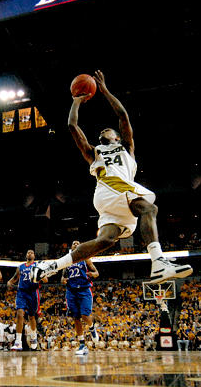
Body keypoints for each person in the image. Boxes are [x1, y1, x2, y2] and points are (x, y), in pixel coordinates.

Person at [31, 71, 192, 284]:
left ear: (116, 137)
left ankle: (51, 266)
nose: (104, 131)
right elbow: (72, 126)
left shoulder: (127, 147)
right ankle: (159, 262)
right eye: (101, 132)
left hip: (116, 197)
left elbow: (123, 116)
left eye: (108, 130)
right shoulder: (94, 152)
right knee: (150, 209)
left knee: (105, 240)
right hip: (111, 189)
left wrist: (105, 91)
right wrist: (76, 101)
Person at [60, 241, 100, 355]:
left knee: (84, 316)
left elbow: (96, 272)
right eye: (73, 243)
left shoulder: (85, 258)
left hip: (84, 289)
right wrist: (63, 280)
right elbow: (63, 277)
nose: (76, 244)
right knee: (76, 318)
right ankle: (82, 345)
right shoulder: (67, 260)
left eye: (78, 243)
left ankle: (92, 328)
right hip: (71, 291)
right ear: (71, 247)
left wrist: (93, 274)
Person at [7, 249, 48, 351]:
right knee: (20, 314)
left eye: (32, 252)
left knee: (32, 316)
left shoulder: (38, 265)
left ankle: (34, 336)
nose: (29, 253)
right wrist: (9, 282)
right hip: (22, 292)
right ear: (26, 255)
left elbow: (46, 280)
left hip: (33, 292)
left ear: (34, 256)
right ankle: (18, 342)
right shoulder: (20, 267)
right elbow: (15, 278)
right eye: (28, 252)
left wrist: (41, 274)